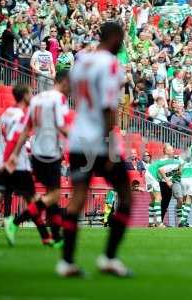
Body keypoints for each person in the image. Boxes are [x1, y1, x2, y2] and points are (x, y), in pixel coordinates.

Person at [56, 22, 132, 277]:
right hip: (99, 142)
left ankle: (66, 262)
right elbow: (108, 107)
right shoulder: (110, 64)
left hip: (78, 138)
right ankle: (109, 258)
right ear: (114, 38)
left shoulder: (81, 63)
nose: (122, 44)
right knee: (126, 196)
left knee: (78, 198)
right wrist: (111, 144)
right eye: (122, 38)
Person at [0, 85, 51, 245]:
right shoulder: (20, 116)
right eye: (30, 93)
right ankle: (36, 232)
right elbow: (15, 139)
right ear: (24, 96)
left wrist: (2, 162)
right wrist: (12, 159)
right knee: (34, 201)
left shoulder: (6, 114)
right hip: (17, 165)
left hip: (4, 163)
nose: (32, 95)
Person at [5, 70, 71, 248]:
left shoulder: (37, 98)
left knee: (52, 195)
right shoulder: (60, 99)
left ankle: (56, 237)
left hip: (36, 152)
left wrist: (15, 154)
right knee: (55, 194)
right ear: (64, 82)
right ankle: (16, 221)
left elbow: (26, 129)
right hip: (50, 153)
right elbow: (62, 125)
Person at [145, 143, 180, 228]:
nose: (173, 150)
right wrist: (168, 181)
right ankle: (159, 223)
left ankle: (150, 223)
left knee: (153, 199)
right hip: (153, 176)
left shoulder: (164, 160)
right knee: (158, 198)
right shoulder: (171, 161)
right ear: (167, 152)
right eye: (171, 149)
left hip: (148, 174)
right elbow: (161, 170)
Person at [178, 156, 192, 227]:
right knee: (190, 200)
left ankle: (184, 221)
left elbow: (179, 171)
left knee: (184, 201)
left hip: (183, 180)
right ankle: (182, 221)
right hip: (191, 180)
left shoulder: (181, 159)